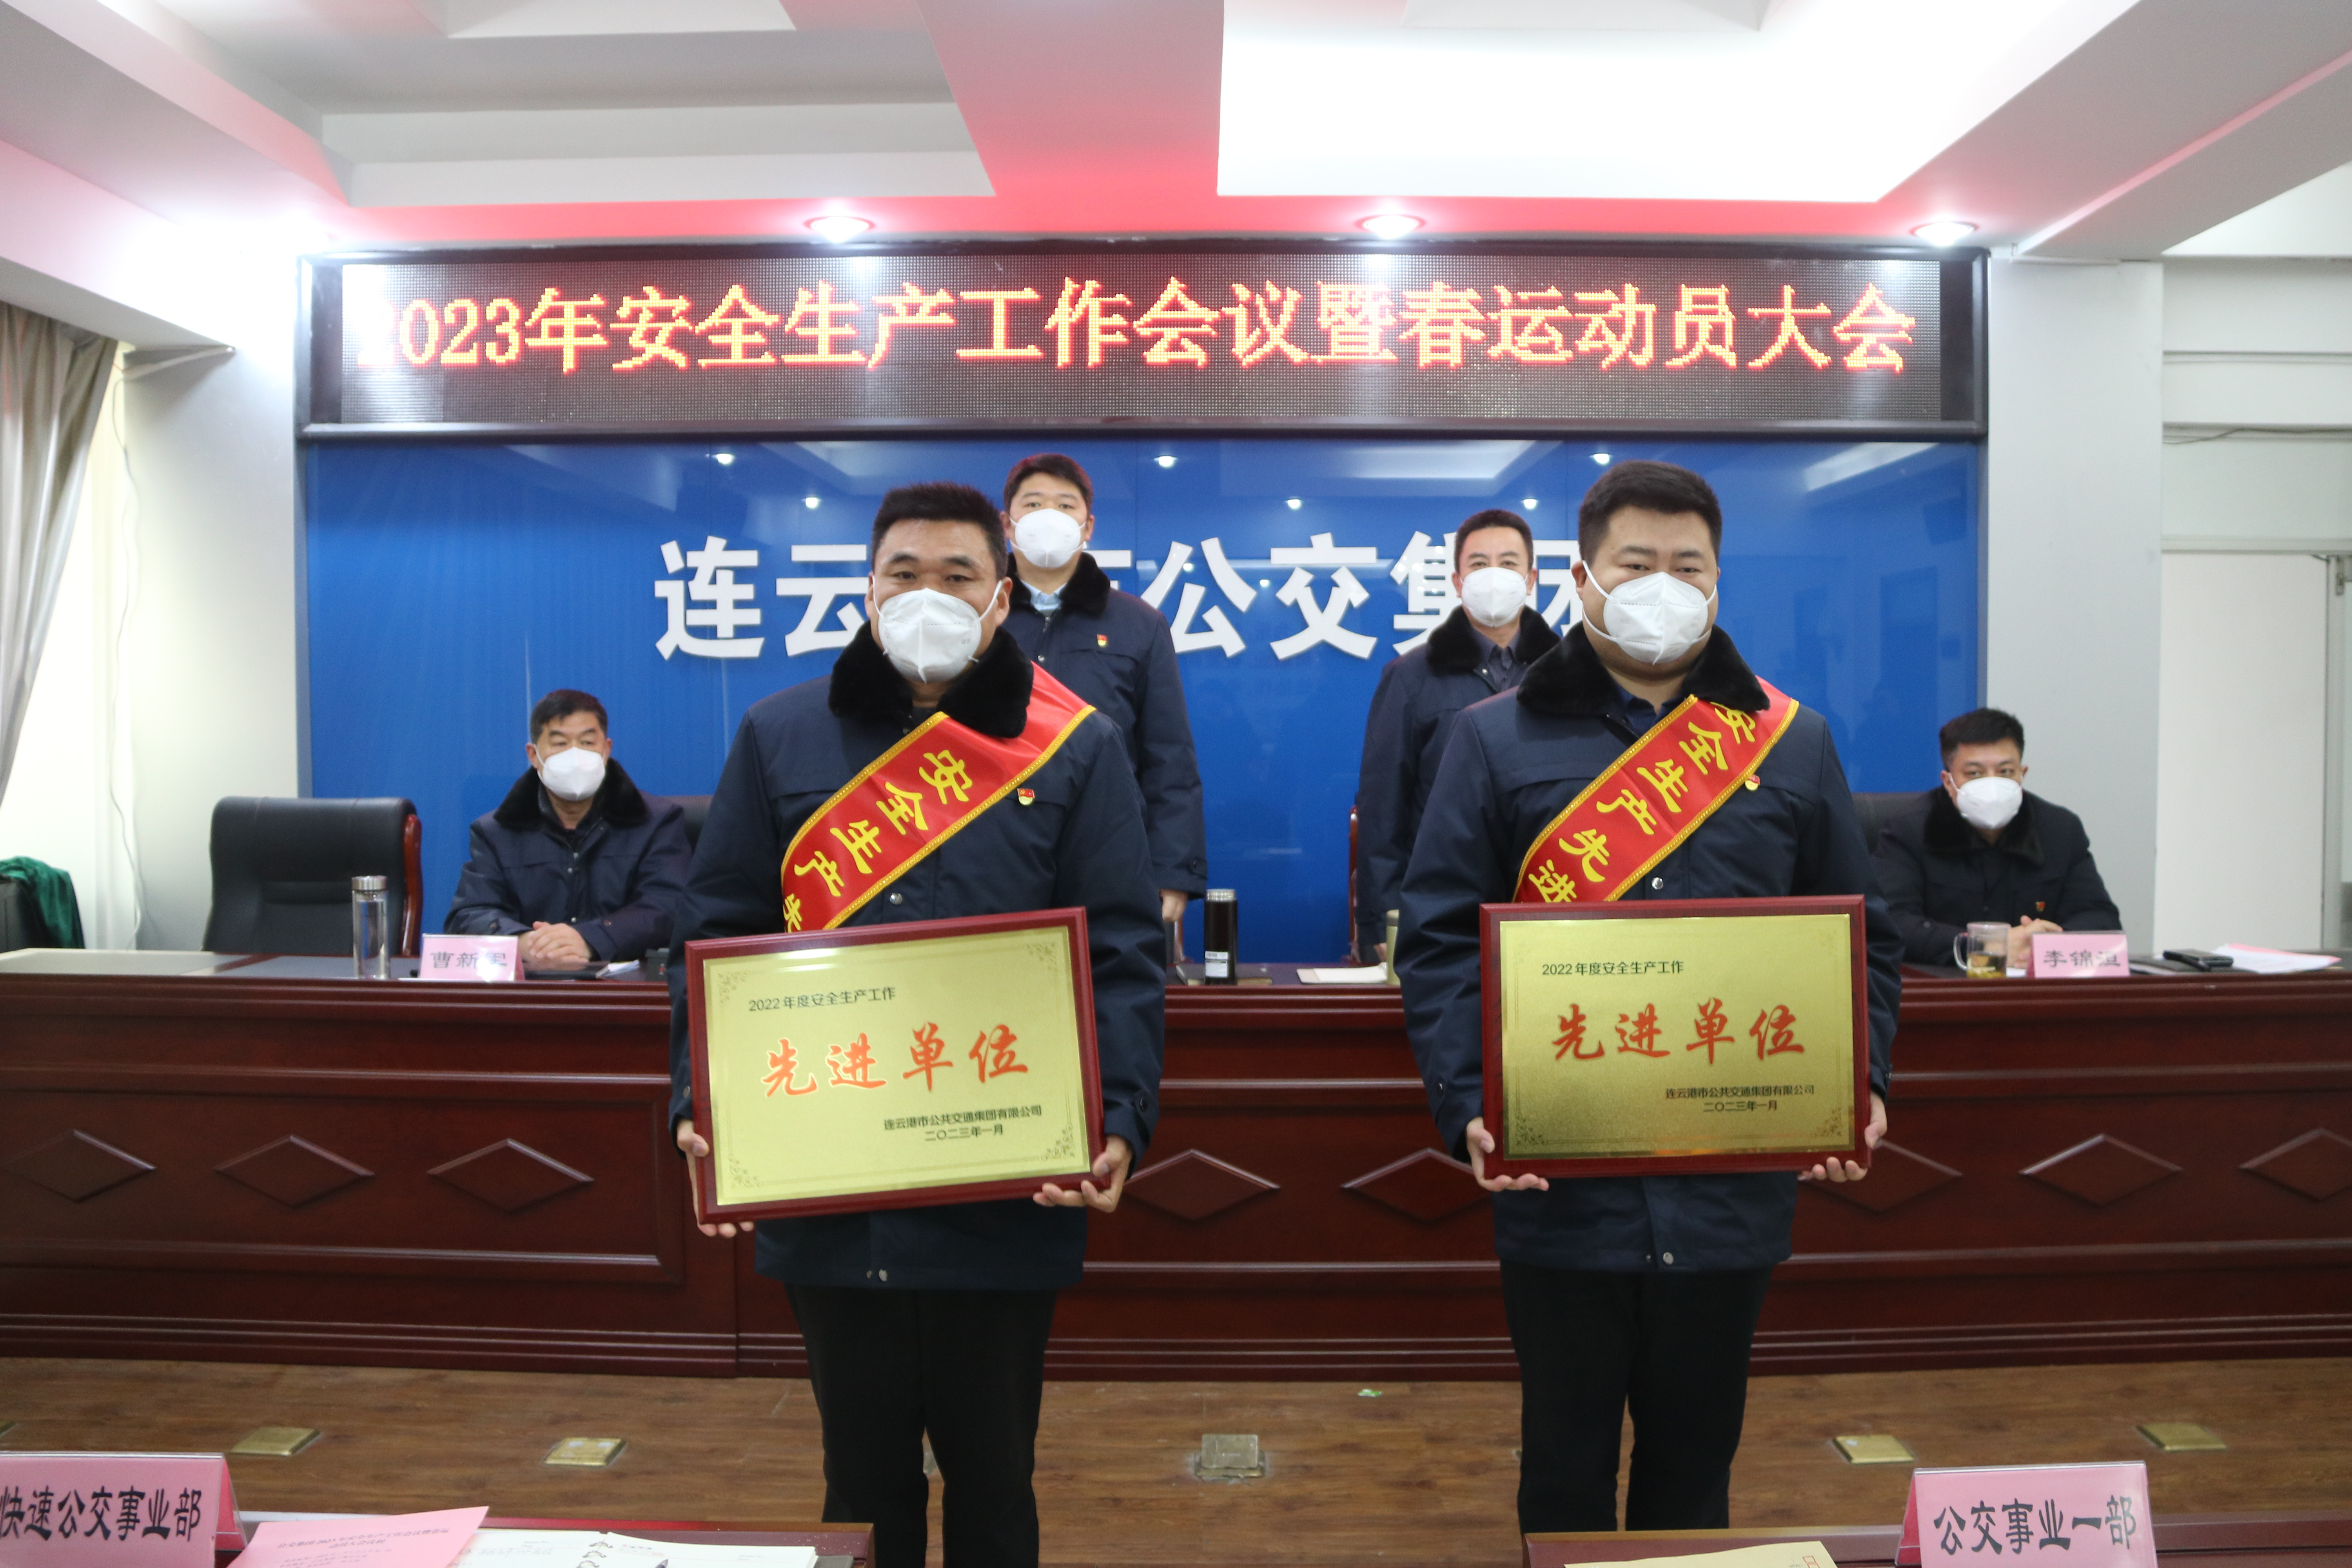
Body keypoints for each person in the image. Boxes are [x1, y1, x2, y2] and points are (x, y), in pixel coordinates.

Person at [1395, 459, 1901, 1535]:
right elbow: (1438, 941)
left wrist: (1857, 1080)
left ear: (1719, 582)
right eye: (1636, 565)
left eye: (1689, 566)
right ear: (1582, 578)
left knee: (1695, 1469)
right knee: (1564, 1467)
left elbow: (1862, 941)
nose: (1664, 585)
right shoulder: (1491, 737)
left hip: (1729, 1182)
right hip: (1561, 1179)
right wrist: (1470, 1102)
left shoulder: (1792, 739)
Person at [667, 481, 1165, 1568]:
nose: (927, 595)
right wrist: (703, 1099)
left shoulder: (1075, 747)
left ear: (1000, 600)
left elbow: (1124, 952)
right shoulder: (780, 734)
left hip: (1005, 1188)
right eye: (904, 574)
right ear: (867, 589)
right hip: (834, 1185)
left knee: (995, 1483)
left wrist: (1119, 1116)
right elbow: (718, 931)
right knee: (861, 1486)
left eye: (957, 576)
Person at [998, 453, 1207, 931]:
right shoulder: (977, 618)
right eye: (1033, 504)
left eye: (1065, 505)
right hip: (993, 849)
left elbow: (1169, 757)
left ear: (1087, 526)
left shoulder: (1139, 624)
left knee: (1110, 973)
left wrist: (1173, 871)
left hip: (1111, 850)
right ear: (1007, 524)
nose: (1049, 517)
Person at [1354, 508, 1560, 960]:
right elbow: (1383, 808)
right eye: (1479, 564)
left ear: (1531, 579)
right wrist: (1383, 918)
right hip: (1441, 904)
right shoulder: (1411, 677)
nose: (1494, 576)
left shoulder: (1570, 674)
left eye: (1509, 564)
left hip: (1555, 900)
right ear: (1457, 581)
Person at [446, 689, 690, 971]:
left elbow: (669, 907)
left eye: (587, 742)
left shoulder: (656, 822)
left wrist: (591, 939)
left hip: (626, 986)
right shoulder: (497, 832)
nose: (575, 755)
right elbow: (469, 915)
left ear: (606, 750)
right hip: (530, 988)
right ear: (534, 755)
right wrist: (523, 942)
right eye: (560, 743)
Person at [1873, 707, 2122, 967]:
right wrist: (1985, 947)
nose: (1992, 786)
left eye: (2005, 772)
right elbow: (1892, 922)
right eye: (1975, 774)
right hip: (1946, 983)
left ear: (2022, 774)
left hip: (2033, 983)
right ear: (1949, 782)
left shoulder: (2060, 829)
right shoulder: (1909, 830)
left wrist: (2043, 945)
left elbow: (2100, 917)